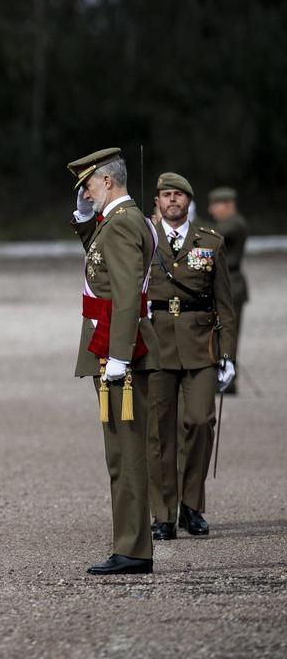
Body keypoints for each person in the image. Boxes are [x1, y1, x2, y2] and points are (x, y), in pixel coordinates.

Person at [67, 147, 159, 575]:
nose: (85, 191)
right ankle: (131, 544)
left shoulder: (122, 225)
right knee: (120, 453)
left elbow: (124, 295)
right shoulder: (117, 223)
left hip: (117, 351)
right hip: (111, 347)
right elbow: (101, 266)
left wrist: (119, 356)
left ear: (107, 181)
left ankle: (134, 549)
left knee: (126, 453)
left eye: (88, 183)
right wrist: (86, 221)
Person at [146, 173, 236, 540]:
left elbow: (225, 305)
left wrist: (227, 354)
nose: (172, 201)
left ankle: (191, 505)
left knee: (200, 422)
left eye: (178, 195)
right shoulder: (144, 240)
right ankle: (164, 514)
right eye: (166, 195)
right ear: (157, 201)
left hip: (200, 348)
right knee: (159, 432)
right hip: (157, 347)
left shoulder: (210, 242)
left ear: (188, 201)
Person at [207, 187, 248, 394]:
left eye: (215, 205)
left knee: (229, 332)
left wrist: (189, 221)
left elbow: (214, 236)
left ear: (228, 205)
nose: (212, 210)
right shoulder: (227, 224)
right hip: (225, 283)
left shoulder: (235, 224)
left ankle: (228, 375)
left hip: (232, 285)